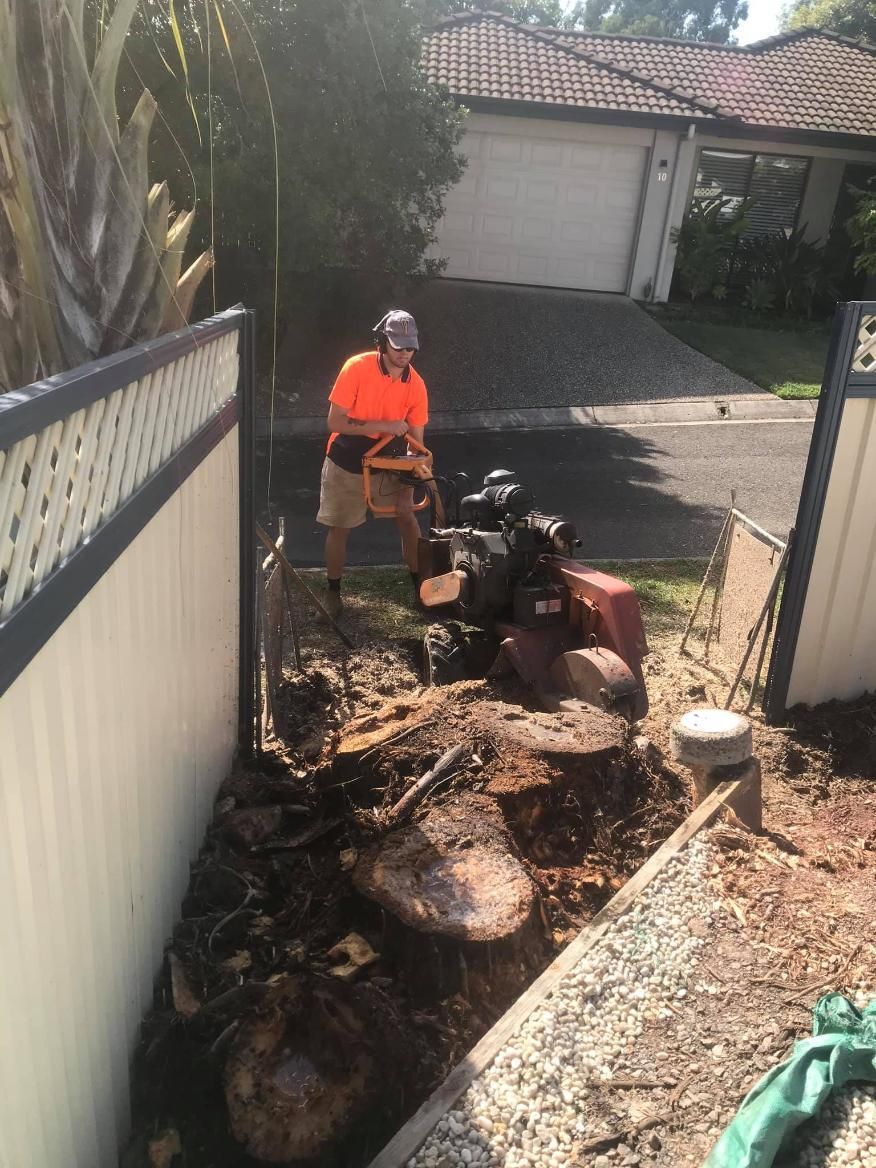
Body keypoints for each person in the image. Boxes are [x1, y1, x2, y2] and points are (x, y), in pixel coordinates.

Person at [316, 309, 429, 619]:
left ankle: (421, 587)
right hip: (347, 454)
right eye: (398, 346)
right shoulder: (357, 368)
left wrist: (416, 465)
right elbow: (334, 421)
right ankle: (333, 594)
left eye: (410, 347)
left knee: (407, 516)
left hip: (389, 458)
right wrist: (382, 424)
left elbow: (416, 439)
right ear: (382, 342)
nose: (405, 353)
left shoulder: (415, 384)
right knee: (340, 527)